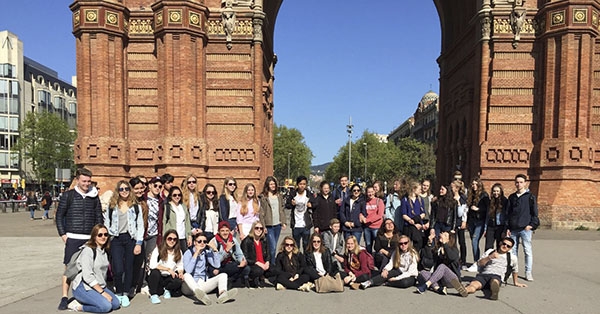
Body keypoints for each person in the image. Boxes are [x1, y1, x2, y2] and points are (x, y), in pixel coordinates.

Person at [56, 167, 103, 310]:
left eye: (89, 181)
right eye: (84, 181)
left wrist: (98, 236)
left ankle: (89, 295)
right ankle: (64, 297)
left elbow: (99, 217)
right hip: (73, 237)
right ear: (77, 180)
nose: (87, 184)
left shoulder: (94, 197)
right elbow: (59, 216)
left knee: (91, 268)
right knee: (69, 268)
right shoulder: (68, 196)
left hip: (89, 238)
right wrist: (64, 235)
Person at [104, 180, 144, 307]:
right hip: (116, 239)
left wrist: (138, 243)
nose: (124, 191)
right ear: (118, 191)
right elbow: (107, 223)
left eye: (126, 188)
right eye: (121, 189)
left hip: (130, 238)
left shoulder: (135, 206)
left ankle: (126, 293)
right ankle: (119, 291)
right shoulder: (112, 206)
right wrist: (107, 240)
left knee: (129, 267)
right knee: (118, 268)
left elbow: (140, 226)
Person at [67, 224, 120, 312]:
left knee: (115, 304)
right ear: (94, 236)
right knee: (105, 307)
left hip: (100, 285)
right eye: (100, 235)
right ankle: (77, 306)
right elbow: (87, 276)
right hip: (84, 287)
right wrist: (103, 293)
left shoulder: (104, 251)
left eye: (106, 234)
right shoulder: (88, 251)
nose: (103, 237)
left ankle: (93, 300)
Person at [183, 232, 239, 305]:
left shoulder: (206, 252)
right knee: (186, 275)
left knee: (223, 275)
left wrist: (215, 250)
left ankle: (223, 294)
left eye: (204, 241)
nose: (202, 243)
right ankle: (200, 294)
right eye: (199, 241)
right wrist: (196, 253)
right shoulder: (188, 253)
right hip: (189, 286)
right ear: (194, 242)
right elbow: (188, 270)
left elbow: (217, 265)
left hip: (202, 283)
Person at [506, 174, 539, 281]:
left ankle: (528, 272)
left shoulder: (530, 197)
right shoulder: (512, 197)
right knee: (512, 251)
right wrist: (507, 227)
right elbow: (508, 213)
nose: (519, 184)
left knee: (527, 251)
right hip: (513, 228)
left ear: (525, 183)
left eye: (521, 182)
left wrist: (531, 225)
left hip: (525, 228)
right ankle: (512, 270)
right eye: (517, 182)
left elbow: (534, 213)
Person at [415, 231, 468, 296]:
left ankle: (427, 284)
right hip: (440, 279)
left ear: (449, 239)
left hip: (453, 279)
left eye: (445, 235)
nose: (442, 235)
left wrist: (445, 244)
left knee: (442, 266)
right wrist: (429, 243)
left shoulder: (454, 250)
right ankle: (438, 289)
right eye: (442, 233)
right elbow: (429, 258)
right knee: (423, 272)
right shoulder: (438, 249)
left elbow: (451, 257)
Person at [208, 221, 250, 287]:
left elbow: (239, 254)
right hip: (218, 265)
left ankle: (231, 280)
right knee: (215, 272)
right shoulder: (214, 241)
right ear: (218, 232)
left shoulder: (233, 240)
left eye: (227, 230)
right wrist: (226, 251)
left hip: (230, 263)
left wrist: (242, 261)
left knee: (246, 268)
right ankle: (222, 282)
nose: (225, 233)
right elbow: (216, 262)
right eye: (222, 231)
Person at [147, 230, 185, 304]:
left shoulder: (178, 251)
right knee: (155, 272)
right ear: (165, 239)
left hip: (169, 277)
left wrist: (180, 272)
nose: (172, 241)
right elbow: (152, 264)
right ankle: (153, 294)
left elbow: (180, 265)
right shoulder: (158, 249)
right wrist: (168, 269)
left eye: (174, 239)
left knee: (179, 281)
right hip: (159, 275)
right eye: (170, 239)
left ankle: (167, 289)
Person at [259, 176, 287, 264]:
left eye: (274, 183)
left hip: (277, 224)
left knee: (272, 246)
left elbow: (282, 209)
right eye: (271, 184)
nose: (273, 185)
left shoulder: (279, 196)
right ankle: (272, 264)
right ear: (267, 185)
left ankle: (270, 262)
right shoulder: (263, 196)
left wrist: (283, 222)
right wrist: (263, 226)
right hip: (269, 225)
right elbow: (261, 212)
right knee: (273, 247)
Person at [129, 176, 149, 296]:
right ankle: (127, 286)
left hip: (142, 236)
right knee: (129, 263)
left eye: (141, 188)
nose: (140, 191)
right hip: (131, 237)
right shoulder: (129, 202)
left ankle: (135, 285)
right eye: (136, 189)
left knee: (139, 263)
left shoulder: (142, 201)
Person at [466, 178, 490, 271]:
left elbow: (487, 209)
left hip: (480, 221)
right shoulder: (471, 195)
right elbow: (468, 210)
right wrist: (467, 222)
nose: (474, 186)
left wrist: (478, 209)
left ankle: (477, 263)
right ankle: (476, 261)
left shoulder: (484, 195)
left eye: (476, 184)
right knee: (473, 241)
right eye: (473, 184)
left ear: (480, 185)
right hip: (472, 221)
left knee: (474, 241)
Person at [286, 176, 314, 252]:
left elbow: (315, 204)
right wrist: (291, 204)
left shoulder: (309, 194)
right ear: (297, 184)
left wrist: (311, 205)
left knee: (307, 246)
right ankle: (297, 262)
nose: (302, 186)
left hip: (306, 225)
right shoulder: (293, 194)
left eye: (304, 184)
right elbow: (287, 205)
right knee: (296, 247)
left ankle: (306, 262)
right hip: (296, 225)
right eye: (300, 184)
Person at [240, 221, 272, 288]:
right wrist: (257, 263)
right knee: (259, 270)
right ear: (253, 229)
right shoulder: (246, 241)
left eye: (261, 228)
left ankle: (277, 282)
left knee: (276, 270)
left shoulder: (264, 240)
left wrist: (267, 262)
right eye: (257, 228)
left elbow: (268, 253)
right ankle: (250, 279)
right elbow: (245, 257)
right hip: (253, 264)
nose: (259, 230)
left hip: (263, 263)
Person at [163, 186, 192, 251]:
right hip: (172, 238)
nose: (177, 197)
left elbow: (187, 222)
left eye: (179, 195)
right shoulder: (167, 207)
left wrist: (189, 236)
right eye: (174, 195)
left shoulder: (183, 206)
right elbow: (164, 222)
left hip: (183, 237)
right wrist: (164, 238)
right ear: (170, 196)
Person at [401, 182, 426, 251]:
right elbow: (404, 214)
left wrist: (417, 219)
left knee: (418, 245)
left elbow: (423, 213)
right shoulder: (405, 200)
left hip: (418, 226)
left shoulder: (420, 200)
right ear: (414, 189)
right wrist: (412, 222)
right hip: (409, 226)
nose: (420, 191)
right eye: (419, 189)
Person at [361, 186, 385, 254]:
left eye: (372, 192)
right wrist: (361, 217)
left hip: (376, 227)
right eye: (369, 192)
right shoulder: (365, 202)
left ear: (374, 192)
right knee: (368, 245)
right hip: (367, 227)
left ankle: (378, 260)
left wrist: (368, 220)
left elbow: (380, 215)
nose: (370, 194)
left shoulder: (379, 201)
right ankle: (369, 260)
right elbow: (361, 211)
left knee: (378, 246)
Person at [485, 183, 508, 251]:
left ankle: (498, 261)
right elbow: (487, 216)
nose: (496, 193)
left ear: (501, 191)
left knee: (500, 246)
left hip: (500, 226)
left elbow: (507, 216)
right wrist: (485, 228)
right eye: (494, 191)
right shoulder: (490, 201)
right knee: (488, 247)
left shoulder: (505, 201)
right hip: (491, 226)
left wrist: (505, 230)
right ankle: (488, 261)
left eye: (497, 191)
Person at [451, 180, 468, 266]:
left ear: (457, 188)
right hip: (452, 223)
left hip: (460, 222)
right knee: (453, 242)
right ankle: (454, 259)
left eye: (452, 187)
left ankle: (463, 260)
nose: (451, 188)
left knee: (462, 242)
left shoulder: (462, 198)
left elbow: (463, 212)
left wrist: (464, 221)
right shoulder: (449, 197)